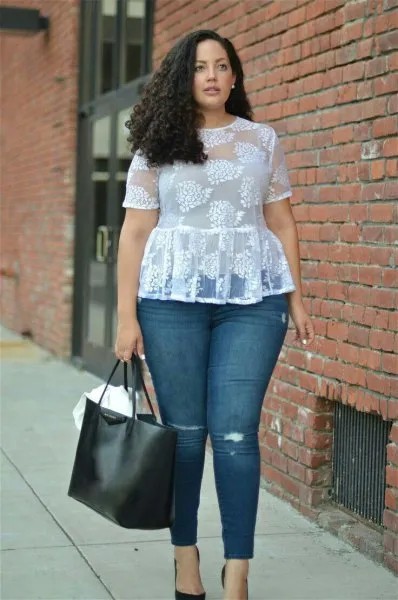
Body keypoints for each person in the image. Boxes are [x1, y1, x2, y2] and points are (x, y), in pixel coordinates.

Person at [115, 29, 315, 600]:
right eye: (200, 66)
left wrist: (297, 296)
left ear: (234, 76)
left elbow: (281, 222)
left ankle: (238, 573)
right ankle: (185, 559)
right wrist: (125, 318)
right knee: (183, 435)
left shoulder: (261, 140)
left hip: (253, 300)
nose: (211, 75)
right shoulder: (157, 143)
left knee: (234, 434)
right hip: (170, 300)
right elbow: (134, 232)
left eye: (221, 65)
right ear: (185, 76)